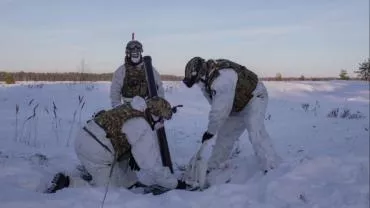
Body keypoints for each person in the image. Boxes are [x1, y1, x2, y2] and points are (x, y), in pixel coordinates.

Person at [45, 96, 189, 193]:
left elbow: (123, 138)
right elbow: (151, 164)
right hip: (95, 152)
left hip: (85, 138)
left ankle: (128, 182)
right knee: (107, 192)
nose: (162, 124)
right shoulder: (142, 126)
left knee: (126, 161)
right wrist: (174, 184)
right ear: (155, 116)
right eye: (162, 120)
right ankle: (67, 182)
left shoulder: (133, 107)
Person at [182, 57, 281, 174]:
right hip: (235, 105)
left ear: (201, 74)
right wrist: (215, 127)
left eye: (197, 81)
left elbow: (219, 111)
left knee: (255, 130)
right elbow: (216, 105)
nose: (197, 85)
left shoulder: (222, 78)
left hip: (254, 97)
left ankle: (272, 168)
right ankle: (213, 168)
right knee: (224, 136)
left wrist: (210, 132)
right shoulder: (206, 83)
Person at [110, 38, 165, 108]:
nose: (135, 53)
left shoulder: (149, 69)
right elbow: (115, 91)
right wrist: (117, 106)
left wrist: (159, 103)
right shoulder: (121, 71)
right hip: (128, 108)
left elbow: (159, 86)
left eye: (137, 51)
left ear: (140, 52)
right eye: (133, 51)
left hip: (147, 106)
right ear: (128, 53)